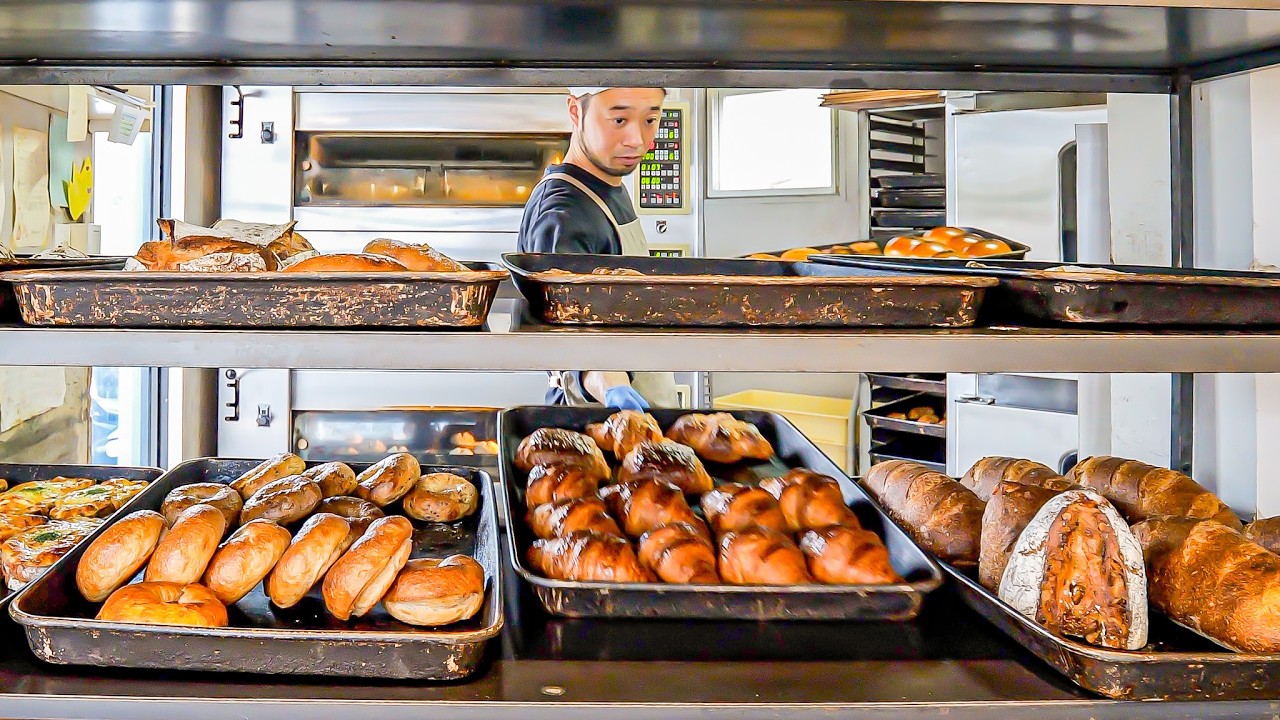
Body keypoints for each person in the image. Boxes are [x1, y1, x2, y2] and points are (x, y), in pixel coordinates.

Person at [517, 86, 678, 411]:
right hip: (598, 420)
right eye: (619, 119)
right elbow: (570, 338)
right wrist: (612, 390)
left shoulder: (605, 185)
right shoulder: (565, 214)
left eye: (650, 119)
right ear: (576, 112)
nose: (636, 138)